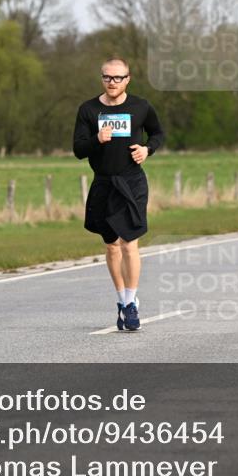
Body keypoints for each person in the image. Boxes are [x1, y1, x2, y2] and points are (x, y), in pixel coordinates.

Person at [73, 58, 164, 331]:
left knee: (129, 242)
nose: (112, 82)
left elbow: (158, 133)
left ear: (128, 79)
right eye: (107, 77)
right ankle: (122, 301)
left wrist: (147, 149)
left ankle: (132, 303)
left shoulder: (140, 106)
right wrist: (97, 140)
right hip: (104, 183)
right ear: (102, 78)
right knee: (112, 245)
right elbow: (78, 149)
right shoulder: (88, 110)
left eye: (117, 78)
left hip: (132, 182)